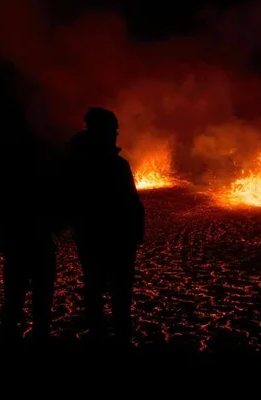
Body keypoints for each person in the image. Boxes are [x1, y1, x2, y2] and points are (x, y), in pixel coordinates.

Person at [64, 107, 145, 344]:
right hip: (110, 238)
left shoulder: (78, 162)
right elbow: (130, 201)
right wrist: (135, 232)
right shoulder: (102, 165)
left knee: (98, 290)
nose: (116, 133)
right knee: (112, 291)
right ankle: (114, 339)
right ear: (101, 130)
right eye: (113, 128)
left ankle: (103, 336)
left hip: (99, 238)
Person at [0, 124, 63, 340]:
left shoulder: (7, 177)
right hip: (39, 245)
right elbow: (58, 209)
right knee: (41, 299)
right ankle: (38, 336)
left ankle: (11, 334)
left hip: (16, 245)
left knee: (14, 296)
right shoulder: (44, 177)